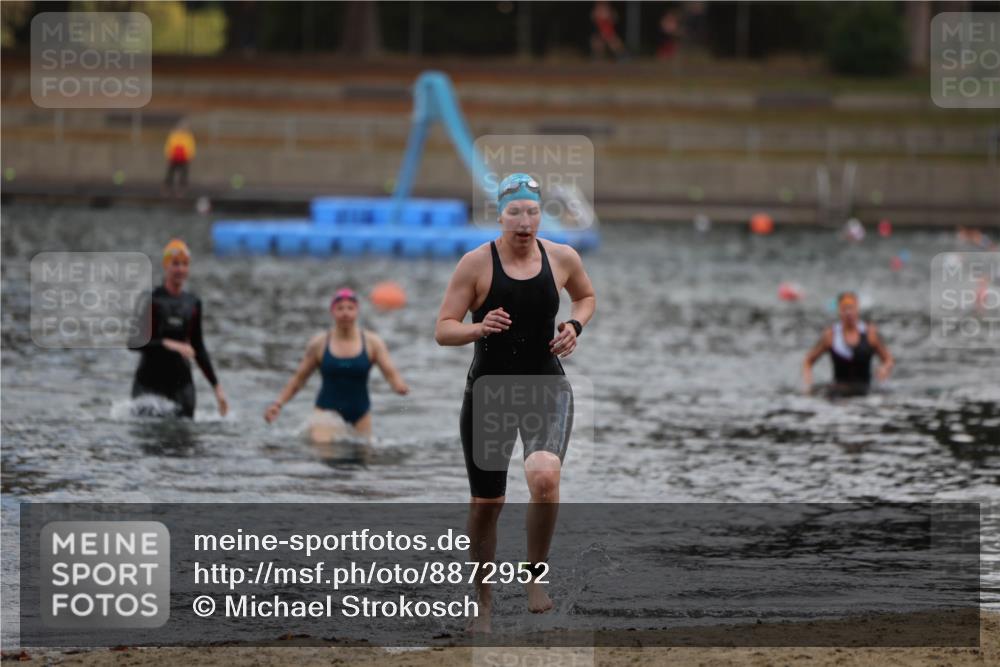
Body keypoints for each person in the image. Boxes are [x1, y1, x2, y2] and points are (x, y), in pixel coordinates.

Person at [435, 173, 596, 632]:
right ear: (499, 214)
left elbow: (585, 296)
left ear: (540, 214)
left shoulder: (562, 257)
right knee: (488, 503)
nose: (523, 221)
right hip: (488, 392)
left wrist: (575, 326)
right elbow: (443, 328)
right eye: (514, 212)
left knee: (544, 476)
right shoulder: (475, 264)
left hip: (546, 387)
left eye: (531, 211)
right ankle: (482, 603)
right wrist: (478, 328)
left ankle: (534, 578)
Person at [264, 288, 409, 441]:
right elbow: (299, 379)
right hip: (325, 413)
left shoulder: (373, 342)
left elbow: (389, 372)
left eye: (350, 308)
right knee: (326, 455)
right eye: (340, 308)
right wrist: (278, 404)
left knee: (363, 460)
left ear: (357, 311)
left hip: (360, 414)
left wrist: (399, 386)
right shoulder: (319, 343)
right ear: (332, 312)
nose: (345, 312)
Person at [129, 239, 228, 418]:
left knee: (185, 439)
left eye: (184, 264)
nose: (180, 269)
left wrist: (217, 388)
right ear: (166, 266)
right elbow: (134, 343)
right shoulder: (150, 300)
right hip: (149, 385)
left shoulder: (193, 303)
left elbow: (198, 347)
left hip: (181, 385)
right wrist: (169, 344)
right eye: (175, 264)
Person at [802, 292, 894, 397]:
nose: (848, 312)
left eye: (851, 308)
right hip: (838, 393)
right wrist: (807, 386)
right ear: (839, 310)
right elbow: (808, 361)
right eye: (844, 309)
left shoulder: (870, 333)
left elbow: (888, 359)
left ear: (857, 308)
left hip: (865, 392)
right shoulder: (830, 335)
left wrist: (884, 368)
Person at [163, 119, 195, 197]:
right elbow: (168, 145)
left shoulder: (188, 136)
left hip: (184, 158)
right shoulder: (174, 135)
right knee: (170, 173)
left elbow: (191, 147)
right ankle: (167, 189)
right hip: (174, 157)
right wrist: (168, 155)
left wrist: (190, 156)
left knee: (183, 175)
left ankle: (182, 190)